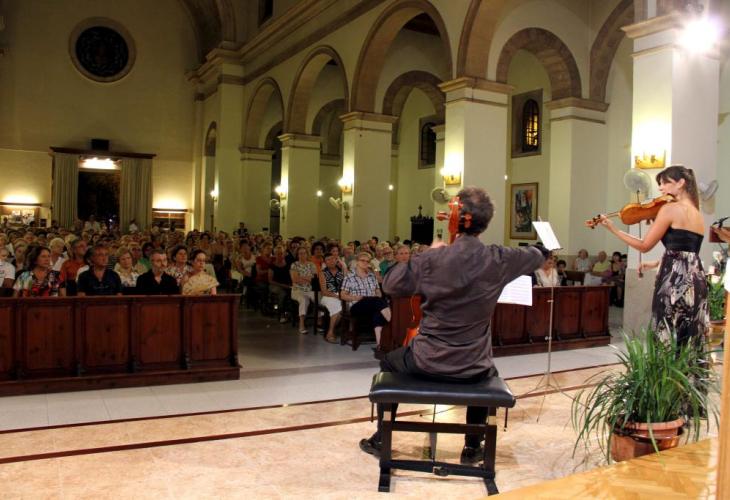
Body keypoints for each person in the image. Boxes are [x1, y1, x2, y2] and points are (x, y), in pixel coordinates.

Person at [358, 186, 546, 463]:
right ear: (485, 223)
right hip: (473, 363)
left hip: (428, 360)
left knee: (389, 361)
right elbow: (539, 254)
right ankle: (472, 446)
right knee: (488, 371)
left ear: (456, 218)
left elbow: (390, 284)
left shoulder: (433, 259)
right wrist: (542, 246)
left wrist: (427, 254)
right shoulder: (500, 258)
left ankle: (382, 438)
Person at [596, 165, 707, 345]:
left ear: (681, 183)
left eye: (664, 183)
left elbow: (644, 245)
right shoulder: (697, 213)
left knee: (667, 332)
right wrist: (656, 263)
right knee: (689, 333)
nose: (661, 188)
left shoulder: (670, 209)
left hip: (674, 280)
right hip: (696, 279)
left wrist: (613, 229)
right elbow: (686, 253)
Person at [340, 251, 391, 346]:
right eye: (362, 260)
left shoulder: (372, 276)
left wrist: (377, 295)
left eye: (367, 261)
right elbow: (342, 295)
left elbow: (378, 292)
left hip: (372, 304)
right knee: (378, 302)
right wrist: (355, 297)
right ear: (357, 262)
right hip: (357, 305)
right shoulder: (349, 277)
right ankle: (392, 323)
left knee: (377, 313)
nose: (365, 263)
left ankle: (380, 345)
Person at [290, 246, 317, 334]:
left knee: (319, 298)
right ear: (297, 255)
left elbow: (314, 279)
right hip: (297, 289)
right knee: (304, 300)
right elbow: (295, 279)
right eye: (300, 253)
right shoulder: (294, 265)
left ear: (307, 254)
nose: (302, 255)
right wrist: (308, 278)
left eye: (304, 253)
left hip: (310, 289)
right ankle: (301, 324)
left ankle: (320, 320)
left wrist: (301, 277)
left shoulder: (311, 264)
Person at [319, 252, 344, 343]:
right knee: (338, 306)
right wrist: (337, 296)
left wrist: (342, 295)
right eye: (328, 260)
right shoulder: (322, 273)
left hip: (342, 295)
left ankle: (332, 329)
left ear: (336, 260)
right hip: (328, 296)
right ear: (325, 262)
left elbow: (348, 284)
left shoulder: (341, 271)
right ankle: (330, 332)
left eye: (333, 259)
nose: (331, 261)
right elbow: (324, 291)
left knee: (347, 305)